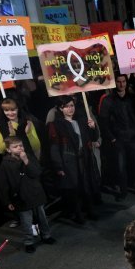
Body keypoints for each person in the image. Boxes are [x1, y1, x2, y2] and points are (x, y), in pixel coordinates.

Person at [47, 95, 101, 223]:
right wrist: (58, 166)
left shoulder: (81, 120)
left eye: (72, 106)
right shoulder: (56, 125)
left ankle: (90, 209)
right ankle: (78, 214)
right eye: (66, 107)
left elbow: (92, 138)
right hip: (69, 160)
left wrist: (93, 128)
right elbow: (54, 147)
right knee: (74, 188)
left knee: (86, 185)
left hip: (84, 158)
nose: (70, 109)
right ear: (61, 109)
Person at [0, 136, 56, 254]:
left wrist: (26, 161)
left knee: (42, 218)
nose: (19, 148)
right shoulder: (5, 164)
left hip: (35, 193)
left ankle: (46, 235)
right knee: (26, 221)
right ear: (9, 150)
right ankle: (29, 242)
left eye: (21, 146)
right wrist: (7, 201)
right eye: (15, 147)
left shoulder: (28, 157)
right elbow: (3, 184)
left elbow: (37, 172)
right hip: (21, 197)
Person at [99, 74, 135, 200]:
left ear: (127, 83)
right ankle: (123, 191)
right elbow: (103, 121)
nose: (121, 84)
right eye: (118, 81)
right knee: (120, 166)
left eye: (123, 81)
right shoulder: (108, 100)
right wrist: (112, 138)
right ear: (114, 82)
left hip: (133, 137)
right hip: (118, 138)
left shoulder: (133, 98)